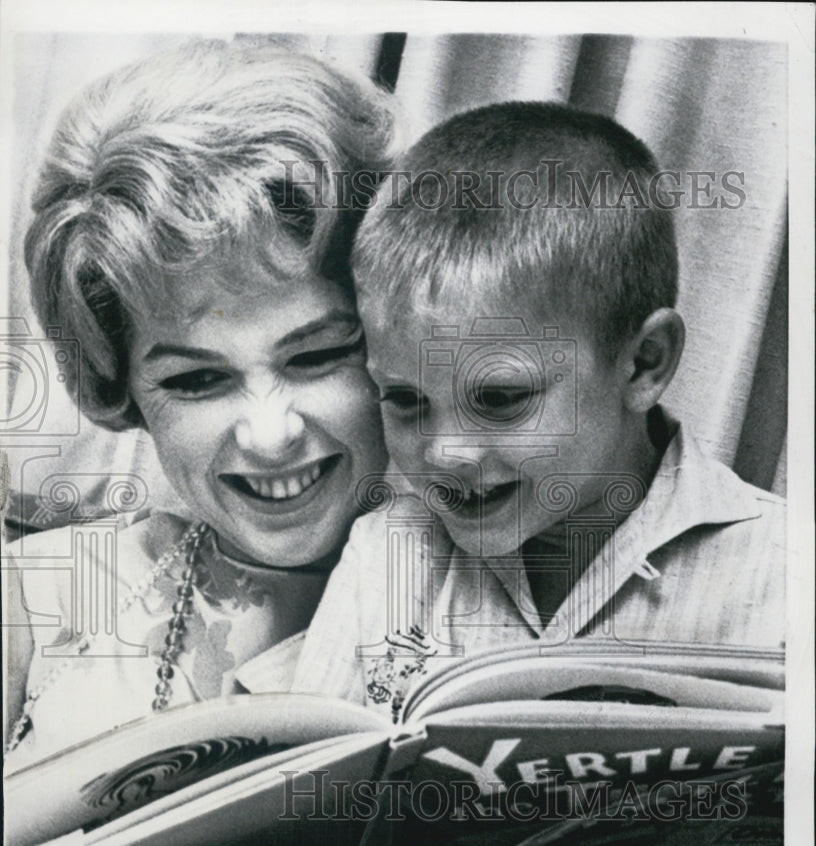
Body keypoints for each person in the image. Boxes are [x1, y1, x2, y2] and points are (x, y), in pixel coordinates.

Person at [286, 101, 786, 718]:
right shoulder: (387, 555)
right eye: (406, 399)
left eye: (499, 398)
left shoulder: (787, 579)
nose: (446, 452)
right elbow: (302, 794)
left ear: (644, 363)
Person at [5, 39, 395, 763]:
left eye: (316, 356)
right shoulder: (29, 601)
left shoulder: (517, 586)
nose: (272, 434)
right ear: (121, 388)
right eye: (195, 380)